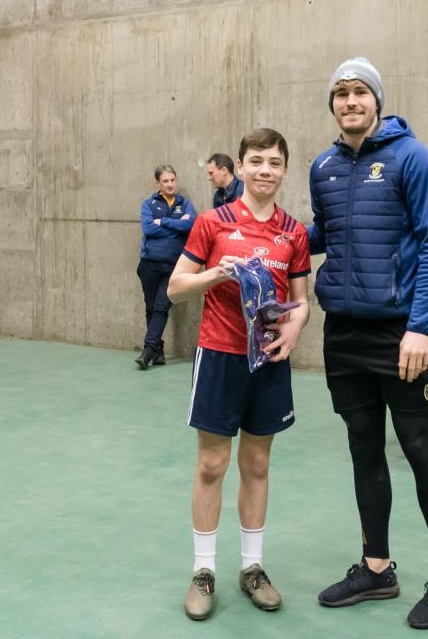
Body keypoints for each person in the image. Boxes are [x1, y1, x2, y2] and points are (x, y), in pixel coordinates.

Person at [308, 57, 428, 630]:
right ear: (333, 104)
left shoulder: (412, 157)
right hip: (343, 335)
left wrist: (420, 327)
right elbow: (325, 234)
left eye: (359, 92)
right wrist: (267, 230)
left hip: (400, 335)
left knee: (419, 448)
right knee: (363, 448)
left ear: (377, 99)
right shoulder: (322, 166)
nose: (350, 102)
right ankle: (377, 566)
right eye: (341, 93)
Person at [167, 128, 310, 621]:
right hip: (220, 356)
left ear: (285, 170)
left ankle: (252, 568)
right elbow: (175, 288)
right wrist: (215, 273)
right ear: (242, 167)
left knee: (257, 465)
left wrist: (292, 333)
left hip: (268, 359)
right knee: (211, 465)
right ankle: (203, 571)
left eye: (274, 162)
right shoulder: (212, 222)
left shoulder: (294, 232)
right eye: (256, 161)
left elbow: (301, 300)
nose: (265, 169)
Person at [136, 165, 195, 369]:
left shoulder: (185, 204)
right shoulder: (148, 204)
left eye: (172, 180)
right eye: (165, 181)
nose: (169, 184)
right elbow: (148, 228)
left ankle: (147, 351)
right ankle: (158, 352)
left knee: (161, 306)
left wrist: (163, 222)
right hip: (149, 265)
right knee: (151, 307)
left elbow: (190, 225)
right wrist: (175, 227)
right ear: (158, 184)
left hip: (173, 267)